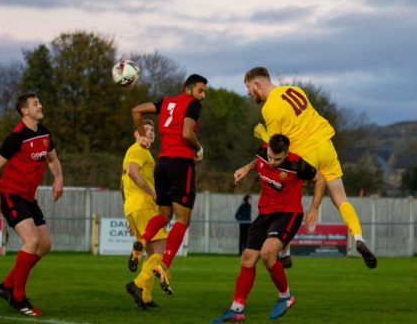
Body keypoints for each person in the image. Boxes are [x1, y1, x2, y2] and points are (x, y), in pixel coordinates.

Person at [243, 66, 377, 269]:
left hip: (306, 155)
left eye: (248, 88)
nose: (248, 93)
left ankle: (285, 251)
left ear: (257, 84)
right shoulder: (295, 90)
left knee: (285, 198)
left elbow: (277, 146)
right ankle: (359, 237)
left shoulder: (269, 108)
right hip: (326, 146)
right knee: (341, 200)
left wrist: (261, 132)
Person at [211, 134, 325, 323]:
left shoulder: (298, 164)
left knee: (267, 252)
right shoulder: (263, 152)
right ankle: (236, 309)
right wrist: (246, 168)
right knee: (247, 258)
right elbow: (258, 161)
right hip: (265, 213)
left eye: (277, 159)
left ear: (286, 154)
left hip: (288, 213)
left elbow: (320, 179)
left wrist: (314, 207)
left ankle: (286, 297)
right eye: (270, 157)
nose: (272, 162)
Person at [0, 93, 64, 317]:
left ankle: (6, 286)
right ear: (24, 111)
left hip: (29, 198)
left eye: (39, 101)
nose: (40, 105)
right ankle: (18, 297)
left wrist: (59, 178)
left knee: (45, 245)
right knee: (32, 241)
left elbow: (53, 159)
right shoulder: (16, 137)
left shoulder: (45, 132)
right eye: (35, 104)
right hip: (11, 194)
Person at [128, 74, 208, 295]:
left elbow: (136, 110)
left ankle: (142, 241)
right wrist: (199, 148)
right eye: (201, 91)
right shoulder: (192, 104)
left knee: (165, 216)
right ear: (189, 89)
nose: (203, 96)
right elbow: (187, 133)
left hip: (161, 163)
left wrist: (143, 136)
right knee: (183, 218)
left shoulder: (165, 102)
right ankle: (163, 266)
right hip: (181, 163)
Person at [122, 119, 170, 309]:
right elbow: (133, 173)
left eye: (152, 130)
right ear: (136, 134)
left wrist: (129, 211)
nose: (150, 132)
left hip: (133, 207)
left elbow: (122, 184)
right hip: (145, 206)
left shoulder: (132, 152)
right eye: (145, 130)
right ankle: (137, 285)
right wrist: (153, 193)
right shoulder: (139, 150)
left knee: (150, 253)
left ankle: (146, 298)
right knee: (160, 252)